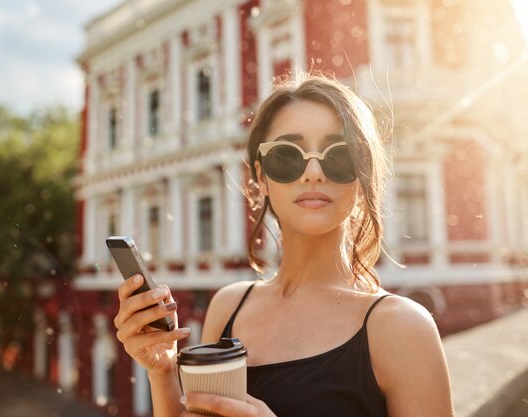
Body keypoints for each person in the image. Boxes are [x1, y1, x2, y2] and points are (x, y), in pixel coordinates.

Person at [113, 74, 454, 417]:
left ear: (362, 173)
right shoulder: (228, 307)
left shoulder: (402, 329)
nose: (313, 172)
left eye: (340, 155)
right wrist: (163, 373)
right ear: (260, 176)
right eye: (288, 155)